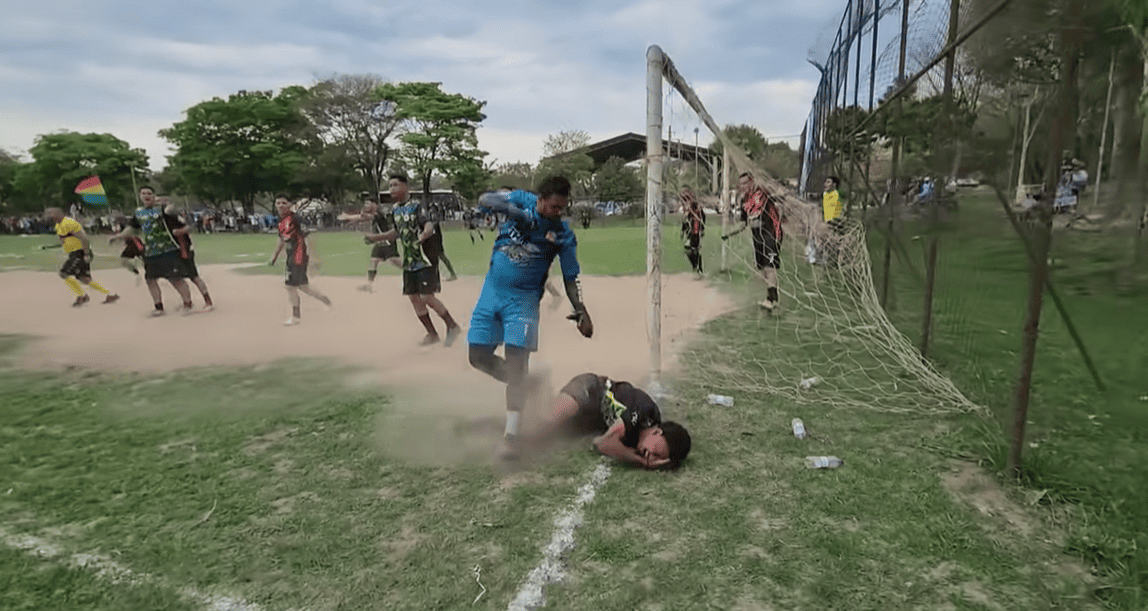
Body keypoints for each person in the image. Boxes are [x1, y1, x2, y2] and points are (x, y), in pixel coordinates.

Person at [469, 175, 594, 461]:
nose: (557, 213)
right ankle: (529, 384)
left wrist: (581, 310)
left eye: (562, 208)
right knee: (477, 357)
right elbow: (485, 200)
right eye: (553, 207)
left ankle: (511, 436)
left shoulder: (562, 234)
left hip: (523, 302)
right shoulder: (521, 200)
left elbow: (571, 276)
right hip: (492, 293)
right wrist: (517, 214)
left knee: (516, 364)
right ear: (539, 199)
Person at [365, 175, 462, 345]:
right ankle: (432, 334)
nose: (391, 189)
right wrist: (376, 238)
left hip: (425, 257)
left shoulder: (418, 206)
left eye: (395, 185)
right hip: (410, 259)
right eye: (390, 186)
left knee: (426, 296)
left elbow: (429, 224)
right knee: (414, 297)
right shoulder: (394, 210)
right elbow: (396, 233)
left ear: (406, 187)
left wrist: (424, 234)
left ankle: (452, 326)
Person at [526, 373, 692, 470]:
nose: (648, 456)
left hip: (588, 422)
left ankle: (535, 388)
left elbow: (598, 441)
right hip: (589, 390)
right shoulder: (642, 413)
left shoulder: (641, 437)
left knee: (551, 435)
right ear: (657, 432)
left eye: (655, 458)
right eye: (655, 452)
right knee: (542, 428)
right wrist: (639, 461)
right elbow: (604, 443)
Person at [109, 186, 193, 316]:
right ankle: (158, 307)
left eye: (149, 193)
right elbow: (132, 229)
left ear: (154, 196)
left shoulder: (162, 210)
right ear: (140, 196)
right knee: (150, 279)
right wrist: (118, 236)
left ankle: (187, 303)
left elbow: (179, 221)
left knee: (175, 278)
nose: (146, 195)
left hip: (168, 249)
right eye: (143, 193)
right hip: (151, 251)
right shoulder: (138, 212)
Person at [723, 173, 783, 311]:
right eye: (741, 184)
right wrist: (729, 233)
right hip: (757, 237)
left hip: (771, 234)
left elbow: (777, 192)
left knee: (769, 266)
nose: (744, 186)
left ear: (752, 182)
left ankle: (770, 299)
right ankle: (774, 298)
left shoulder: (762, 193)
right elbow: (743, 223)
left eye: (746, 183)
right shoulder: (744, 200)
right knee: (761, 269)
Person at [268, 195, 332, 325]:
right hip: (291, 255)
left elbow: (307, 237)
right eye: (278, 203)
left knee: (290, 286)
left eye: (284, 202)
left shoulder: (296, 218)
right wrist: (274, 256)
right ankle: (325, 300)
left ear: (290, 204)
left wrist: (313, 257)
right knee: (303, 286)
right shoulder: (281, 221)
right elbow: (281, 239)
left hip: (298, 256)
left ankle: (296, 317)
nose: (281, 205)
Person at [41, 207, 119, 307]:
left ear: (58, 214)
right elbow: (64, 239)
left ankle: (82, 296)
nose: (48, 217)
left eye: (50, 214)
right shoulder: (58, 225)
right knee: (84, 278)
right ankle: (111, 294)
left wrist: (86, 253)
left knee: (64, 273)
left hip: (79, 252)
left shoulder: (69, 223)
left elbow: (84, 238)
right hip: (74, 252)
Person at [163, 203, 214, 312]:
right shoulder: (163, 219)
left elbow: (188, 227)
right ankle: (187, 301)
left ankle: (208, 301)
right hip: (173, 250)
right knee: (175, 277)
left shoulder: (173, 217)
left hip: (183, 248)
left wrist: (179, 231)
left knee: (193, 276)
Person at [346, 196, 401, 293]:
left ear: (374, 204)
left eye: (368, 203)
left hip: (387, 242)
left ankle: (413, 274)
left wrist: (348, 217)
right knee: (373, 261)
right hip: (379, 243)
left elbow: (368, 217)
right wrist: (355, 220)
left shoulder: (379, 213)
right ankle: (369, 285)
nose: (366, 205)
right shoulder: (374, 214)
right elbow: (364, 217)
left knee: (394, 261)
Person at [808, 175, 843, 265]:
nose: (825, 184)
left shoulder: (837, 194)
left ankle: (834, 260)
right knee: (816, 236)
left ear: (834, 185)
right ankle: (818, 257)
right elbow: (819, 196)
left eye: (828, 182)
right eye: (825, 182)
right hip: (827, 222)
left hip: (836, 222)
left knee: (830, 241)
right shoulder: (825, 194)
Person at [423, 203, 458, 282]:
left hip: (436, 239)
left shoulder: (434, 218)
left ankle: (451, 274)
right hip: (432, 239)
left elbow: (434, 225)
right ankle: (436, 275)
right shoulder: (430, 217)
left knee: (440, 256)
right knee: (435, 256)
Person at [112, 216, 145, 286]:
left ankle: (138, 272)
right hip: (132, 245)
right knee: (124, 260)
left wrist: (115, 238)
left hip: (136, 244)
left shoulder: (129, 226)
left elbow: (126, 233)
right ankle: (136, 271)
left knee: (143, 259)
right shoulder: (121, 227)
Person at [680, 188, 706, 276]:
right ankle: (696, 267)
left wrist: (702, 230)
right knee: (690, 250)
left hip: (696, 230)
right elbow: (685, 220)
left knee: (693, 250)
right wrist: (683, 230)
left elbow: (702, 217)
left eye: (686, 198)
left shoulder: (695, 206)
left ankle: (698, 268)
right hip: (690, 232)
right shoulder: (685, 207)